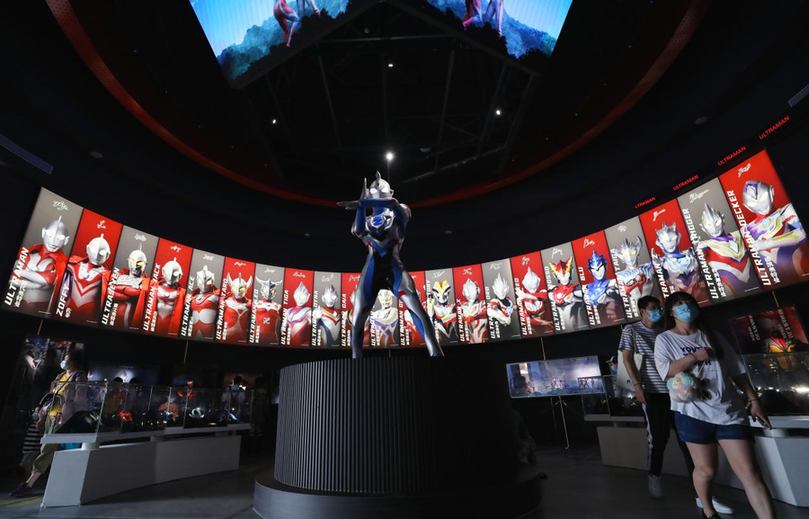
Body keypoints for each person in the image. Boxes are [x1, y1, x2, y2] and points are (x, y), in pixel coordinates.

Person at [654, 292, 776, 519]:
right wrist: (694, 357)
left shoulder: (713, 336)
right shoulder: (665, 339)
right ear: (671, 311)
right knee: (707, 470)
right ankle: (708, 508)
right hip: (692, 413)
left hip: (729, 411)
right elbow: (666, 372)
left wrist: (754, 400)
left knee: (750, 472)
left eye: (689, 302)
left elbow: (737, 372)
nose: (686, 307)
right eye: (679, 304)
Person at [10, 349, 88, 498]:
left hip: (63, 420)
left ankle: (29, 484)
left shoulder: (79, 377)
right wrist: (42, 416)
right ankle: (59, 483)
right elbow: (50, 398)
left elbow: (80, 402)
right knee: (50, 450)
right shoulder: (60, 376)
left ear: (73, 361)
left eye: (66, 358)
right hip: (51, 419)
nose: (64, 360)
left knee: (47, 450)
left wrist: (76, 420)